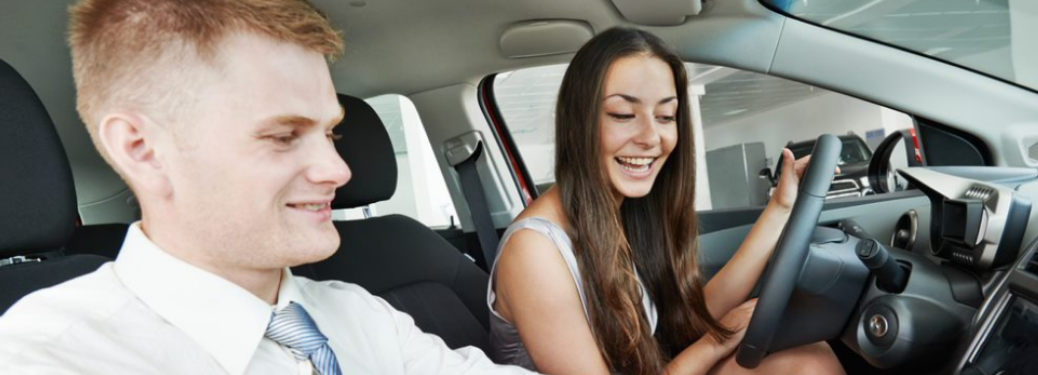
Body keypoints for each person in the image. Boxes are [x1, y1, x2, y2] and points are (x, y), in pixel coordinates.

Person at [0, 1, 534, 374]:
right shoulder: (54, 357)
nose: (338, 170)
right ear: (143, 150)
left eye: (331, 133)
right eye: (283, 136)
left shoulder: (357, 313)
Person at [487, 27, 846, 375]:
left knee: (811, 360)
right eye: (623, 115)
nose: (651, 137)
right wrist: (715, 343)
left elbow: (688, 319)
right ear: (576, 123)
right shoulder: (534, 251)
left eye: (665, 116)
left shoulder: (623, 212)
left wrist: (781, 207)